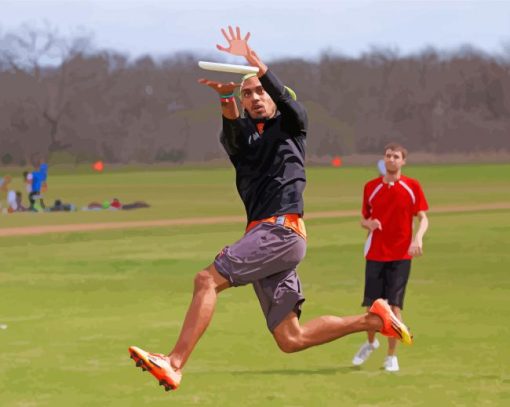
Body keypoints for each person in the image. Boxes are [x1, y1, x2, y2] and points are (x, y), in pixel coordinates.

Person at [128, 27, 413, 392]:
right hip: (270, 238)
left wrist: (257, 65)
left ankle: (174, 362)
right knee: (290, 339)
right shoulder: (245, 142)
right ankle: (372, 321)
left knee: (206, 280)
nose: (256, 97)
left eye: (260, 91)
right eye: (248, 94)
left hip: (280, 231)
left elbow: (287, 101)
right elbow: (232, 133)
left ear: (274, 96)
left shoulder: (293, 127)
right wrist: (227, 99)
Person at [352, 143, 429, 372]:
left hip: (401, 254)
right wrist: (370, 223)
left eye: (396, 156)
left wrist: (418, 238)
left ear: (403, 161)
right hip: (375, 253)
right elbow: (363, 219)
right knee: (373, 307)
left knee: (394, 307)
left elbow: (423, 218)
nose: (391, 159)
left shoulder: (412, 186)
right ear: (383, 160)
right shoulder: (371, 187)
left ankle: (391, 356)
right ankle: (370, 343)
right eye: (388, 156)